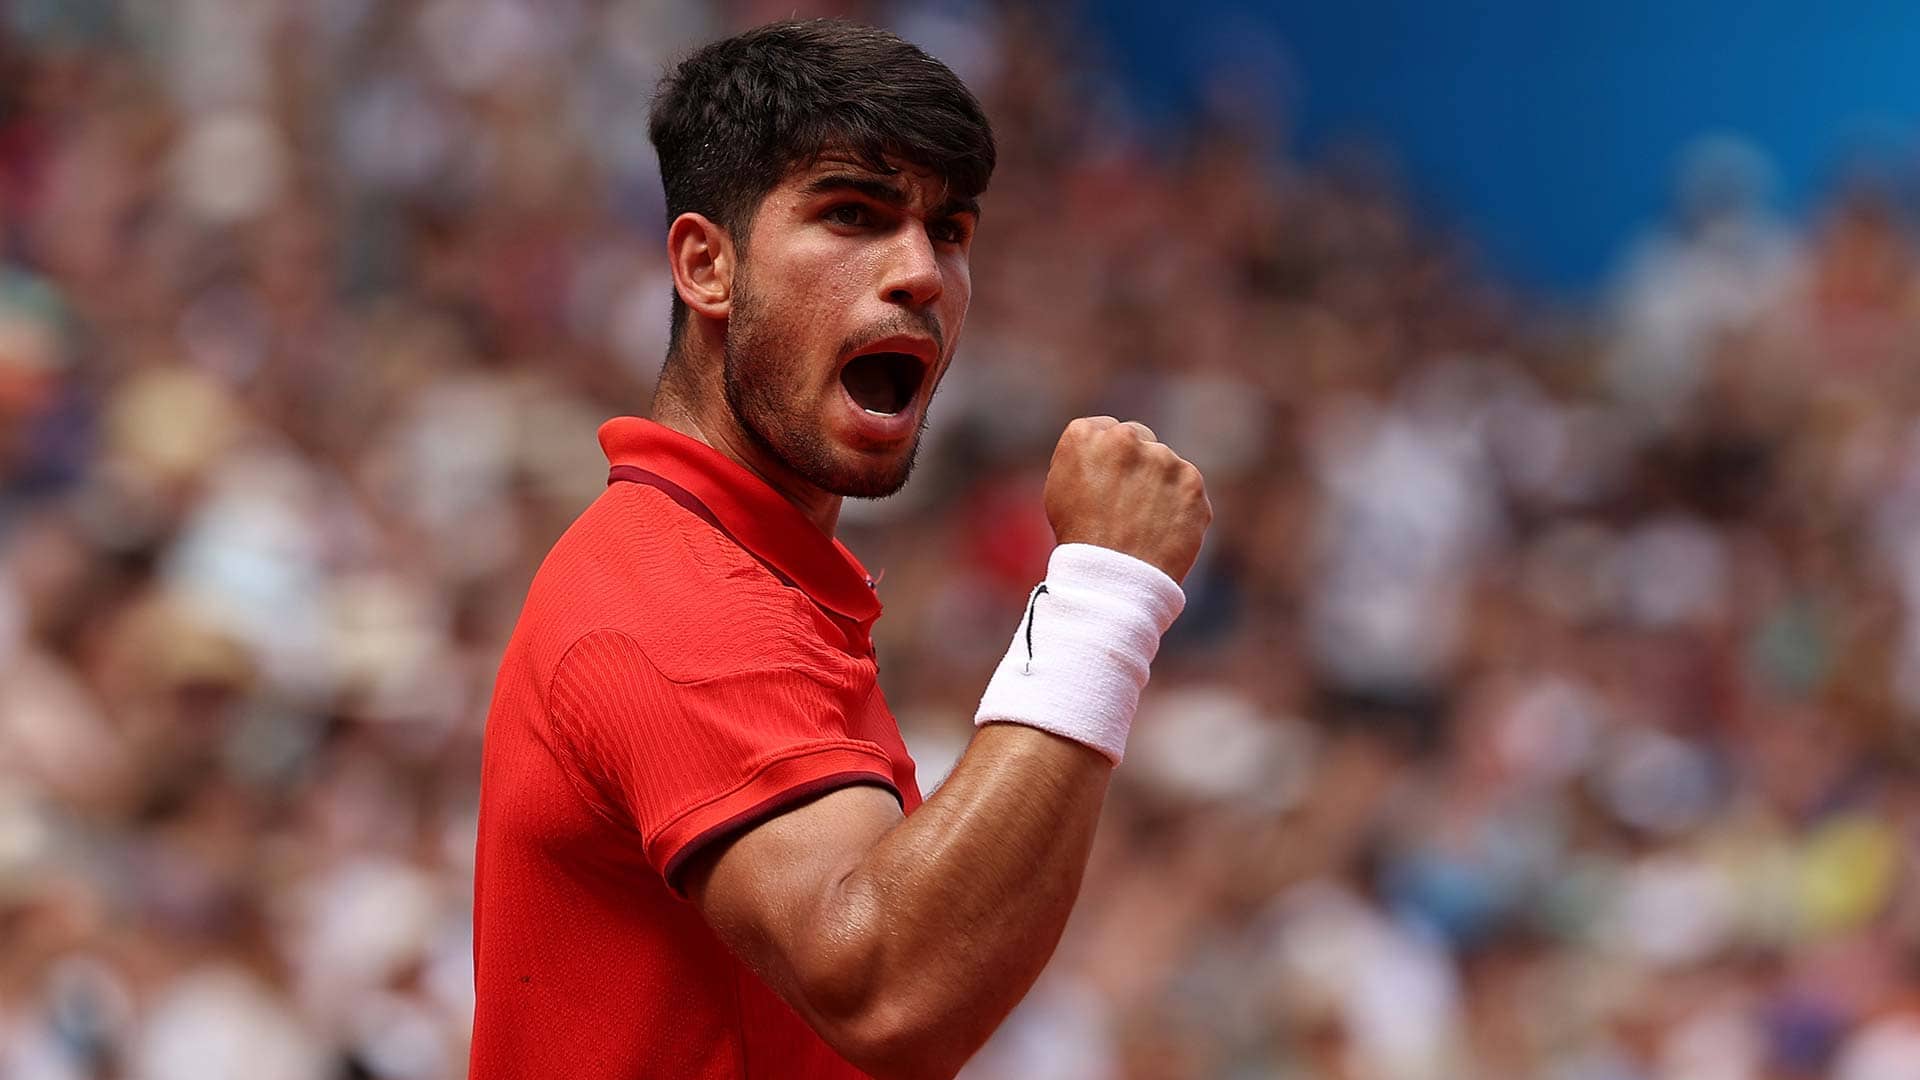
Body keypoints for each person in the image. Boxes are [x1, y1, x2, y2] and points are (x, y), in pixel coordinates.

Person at [468, 19, 1211, 1079]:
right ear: (705, 266)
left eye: (949, 230)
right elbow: (890, 988)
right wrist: (1106, 591)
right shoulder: (675, 593)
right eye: (852, 215)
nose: (920, 272)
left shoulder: (745, 572)